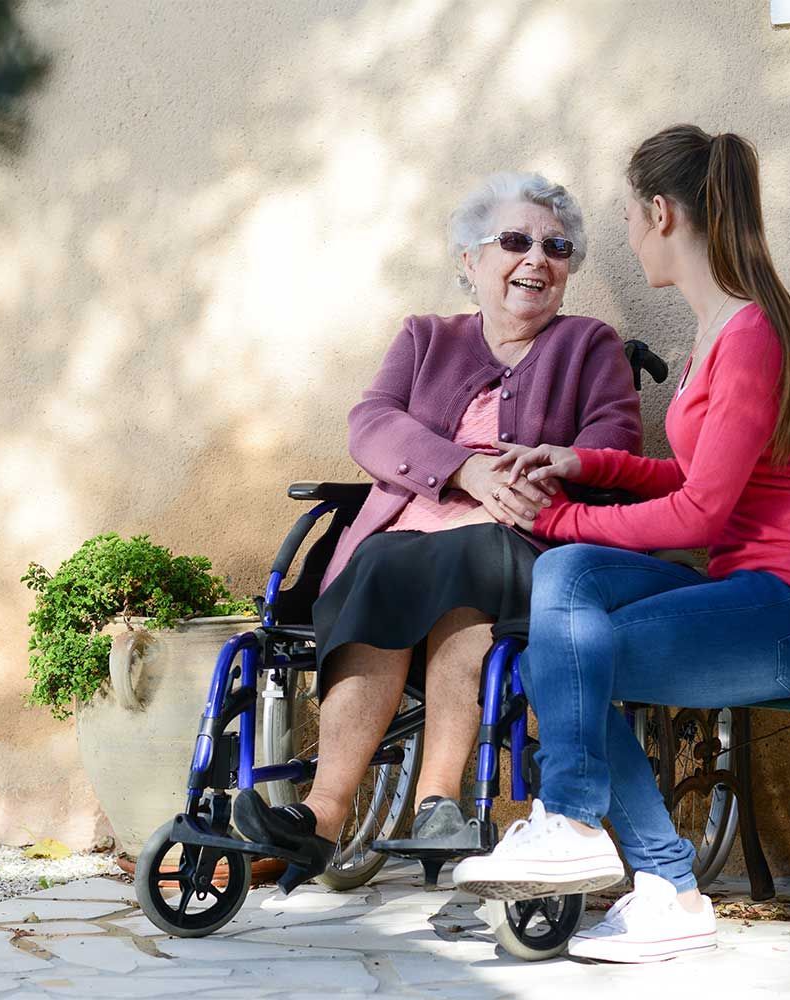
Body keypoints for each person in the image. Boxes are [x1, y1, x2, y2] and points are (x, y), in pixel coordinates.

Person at [451, 126, 790, 964]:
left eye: (630, 219)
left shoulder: (754, 335)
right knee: (566, 594)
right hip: (746, 594)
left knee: (564, 652)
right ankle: (623, 858)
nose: (630, 237)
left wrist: (558, 515)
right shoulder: (719, 335)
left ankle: (622, 855)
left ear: (660, 211)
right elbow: (690, 473)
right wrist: (580, 463)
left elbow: (700, 515)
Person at [233, 172, 643, 880]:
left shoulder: (589, 345)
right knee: (388, 562)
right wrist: (462, 471)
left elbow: (616, 434)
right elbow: (372, 423)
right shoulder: (426, 338)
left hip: (521, 544)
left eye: (556, 246)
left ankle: (437, 801)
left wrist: (543, 471)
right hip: (408, 544)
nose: (537, 259)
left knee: (469, 558)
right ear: (469, 262)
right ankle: (323, 814)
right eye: (514, 241)